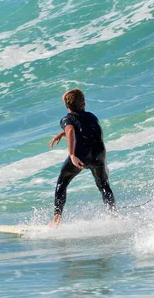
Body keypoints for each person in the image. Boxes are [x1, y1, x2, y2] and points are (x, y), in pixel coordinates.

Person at [48, 88, 116, 227]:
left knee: (63, 182)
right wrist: (63, 133)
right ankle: (113, 215)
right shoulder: (92, 116)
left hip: (81, 155)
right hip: (99, 154)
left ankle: (56, 218)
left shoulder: (67, 119)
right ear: (84, 104)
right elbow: (83, 128)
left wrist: (72, 155)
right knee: (103, 185)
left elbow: (72, 129)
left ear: (67, 106)